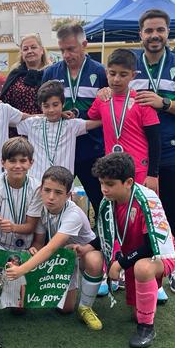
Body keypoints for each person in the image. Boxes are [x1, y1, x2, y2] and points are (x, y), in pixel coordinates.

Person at [130, 9, 175, 295]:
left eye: (159, 30)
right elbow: (113, 89)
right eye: (149, 30)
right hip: (137, 154)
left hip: (172, 151)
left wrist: (164, 103)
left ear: (167, 32)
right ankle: (135, 267)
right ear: (141, 34)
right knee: (136, 215)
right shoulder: (130, 64)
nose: (154, 35)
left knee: (173, 212)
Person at [92, 152, 175, 348]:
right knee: (136, 312)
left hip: (162, 252)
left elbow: (151, 245)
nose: (104, 189)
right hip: (135, 253)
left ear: (129, 182)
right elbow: (107, 233)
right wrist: (87, 246)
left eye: (110, 184)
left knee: (142, 268)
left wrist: (120, 264)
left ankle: (146, 328)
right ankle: (149, 297)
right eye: (102, 183)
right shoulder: (109, 201)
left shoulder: (146, 200)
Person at [3, 165, 105, 330]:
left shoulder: (73, 214)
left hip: (82, 253)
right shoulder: (42, 208)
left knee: (94, 260)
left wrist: (21, 270)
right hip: (63, 255)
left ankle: (85, 307)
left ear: (68, 195)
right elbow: (40, 242)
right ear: (40, 190)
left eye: (58, 192)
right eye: (47, 190)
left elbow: (50, 248)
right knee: (65, 309)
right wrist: (34, 249)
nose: (51, 197)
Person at [42, 23, 107, 216]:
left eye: (71, 49)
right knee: (54, 202)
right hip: (60, 151)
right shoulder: (51, 73)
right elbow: (44, 105)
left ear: (84, 45)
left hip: (92, 149)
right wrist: (57, 113)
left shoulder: (100, 72)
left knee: (100, 201)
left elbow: (107, 108)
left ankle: (103, 234)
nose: (66, 55)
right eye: (62, 50)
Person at [85, 49, 160, 189]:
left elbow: (155, 140)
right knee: (115, 204)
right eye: (112, 73)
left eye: (123, 74)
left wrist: (152, 174)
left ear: (133, 75)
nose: (116, 79)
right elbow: (91, 117)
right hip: (111, 170)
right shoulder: (102, 99)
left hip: (139, 170)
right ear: (106, 73)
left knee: (140, 204)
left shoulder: (142, 101)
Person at [0, 137, 43, 256]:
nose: (18, 166)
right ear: (3, 162)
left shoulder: (36, 188)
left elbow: (31, 226)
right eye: (12, 161)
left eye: (23, 161)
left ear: (31, 163)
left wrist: (13, 227)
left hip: (26, 247)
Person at [16, 80, 89, 173]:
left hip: (63, 180)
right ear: (41, 106)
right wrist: (57, 114)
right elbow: (10, 119)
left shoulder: (72, 125)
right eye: (46, 106)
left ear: (63, 104)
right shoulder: (31, 123)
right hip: (37, 180)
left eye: (55, 105)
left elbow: (99, 122)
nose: (51, 110)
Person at [0, 33, 50, 118]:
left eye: (33, 47)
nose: (29, 51)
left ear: (42, 50)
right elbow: (5, 104)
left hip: (47, 123)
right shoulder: (15, 74)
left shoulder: (52, 72)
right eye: (25, 49)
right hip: (19, 124)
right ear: (22, 54)